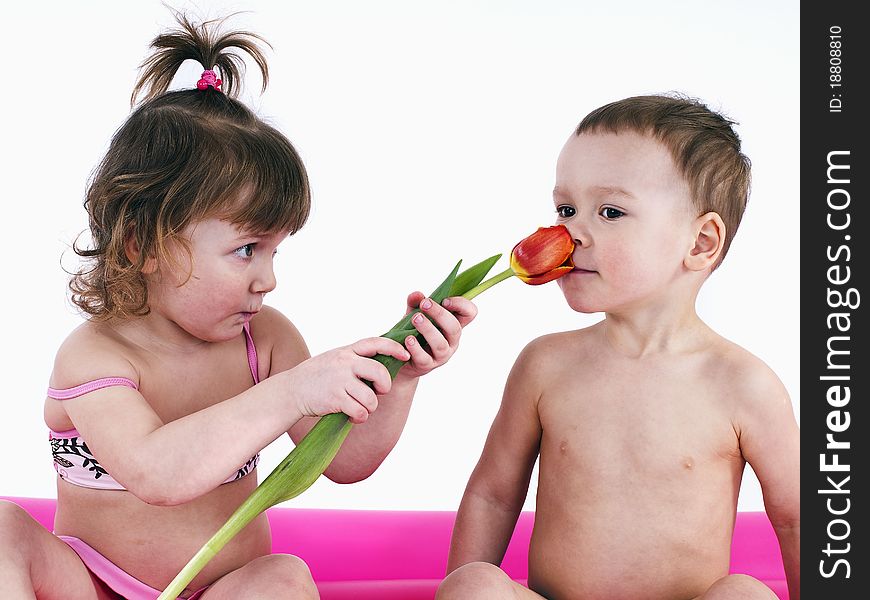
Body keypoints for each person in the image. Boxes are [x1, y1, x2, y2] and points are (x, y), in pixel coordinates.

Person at [0, 13, 477, 600]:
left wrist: (400, 381)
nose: (268, 280)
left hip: (223, 591)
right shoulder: (95, 355)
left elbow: (345, 461)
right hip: (89, 588)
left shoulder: (266, 341)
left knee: (285, 576)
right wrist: (292, 391)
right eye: (246, 250)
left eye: (275, 251)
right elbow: (157, 473)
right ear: (143, 244)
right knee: (2, 529)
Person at [436, 95, 799, 600]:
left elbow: (798, 518)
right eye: (566, 208)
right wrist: (461, 585)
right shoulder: (545, 364)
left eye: (609, 211)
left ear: (699, 244)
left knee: (746, 594)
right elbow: (494, 496)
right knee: (475, 586)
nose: (570, 232)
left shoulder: (742, 384)